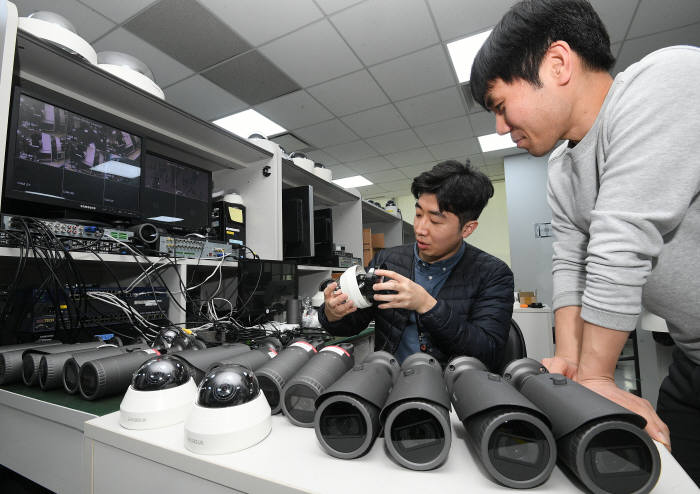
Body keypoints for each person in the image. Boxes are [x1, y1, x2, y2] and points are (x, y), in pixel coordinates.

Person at [470, 0, 700, 483]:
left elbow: (621, 239)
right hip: (692, 360)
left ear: (557, 64)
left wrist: (598, 376)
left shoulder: (667, 78)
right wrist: (572, 364)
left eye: (499, 104)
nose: (499, 125)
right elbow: (571, 266)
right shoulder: (560, 168)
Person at [319, 160, 514, 371]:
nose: (420, 229)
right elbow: (354, 323)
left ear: (467, 229)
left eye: (436, 221)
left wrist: (427, 305)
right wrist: (333, 314)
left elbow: (489, 353)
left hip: (454, 389)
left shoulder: (493, 274)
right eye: (419, 214)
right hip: (391, 382)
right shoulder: (387, 261)